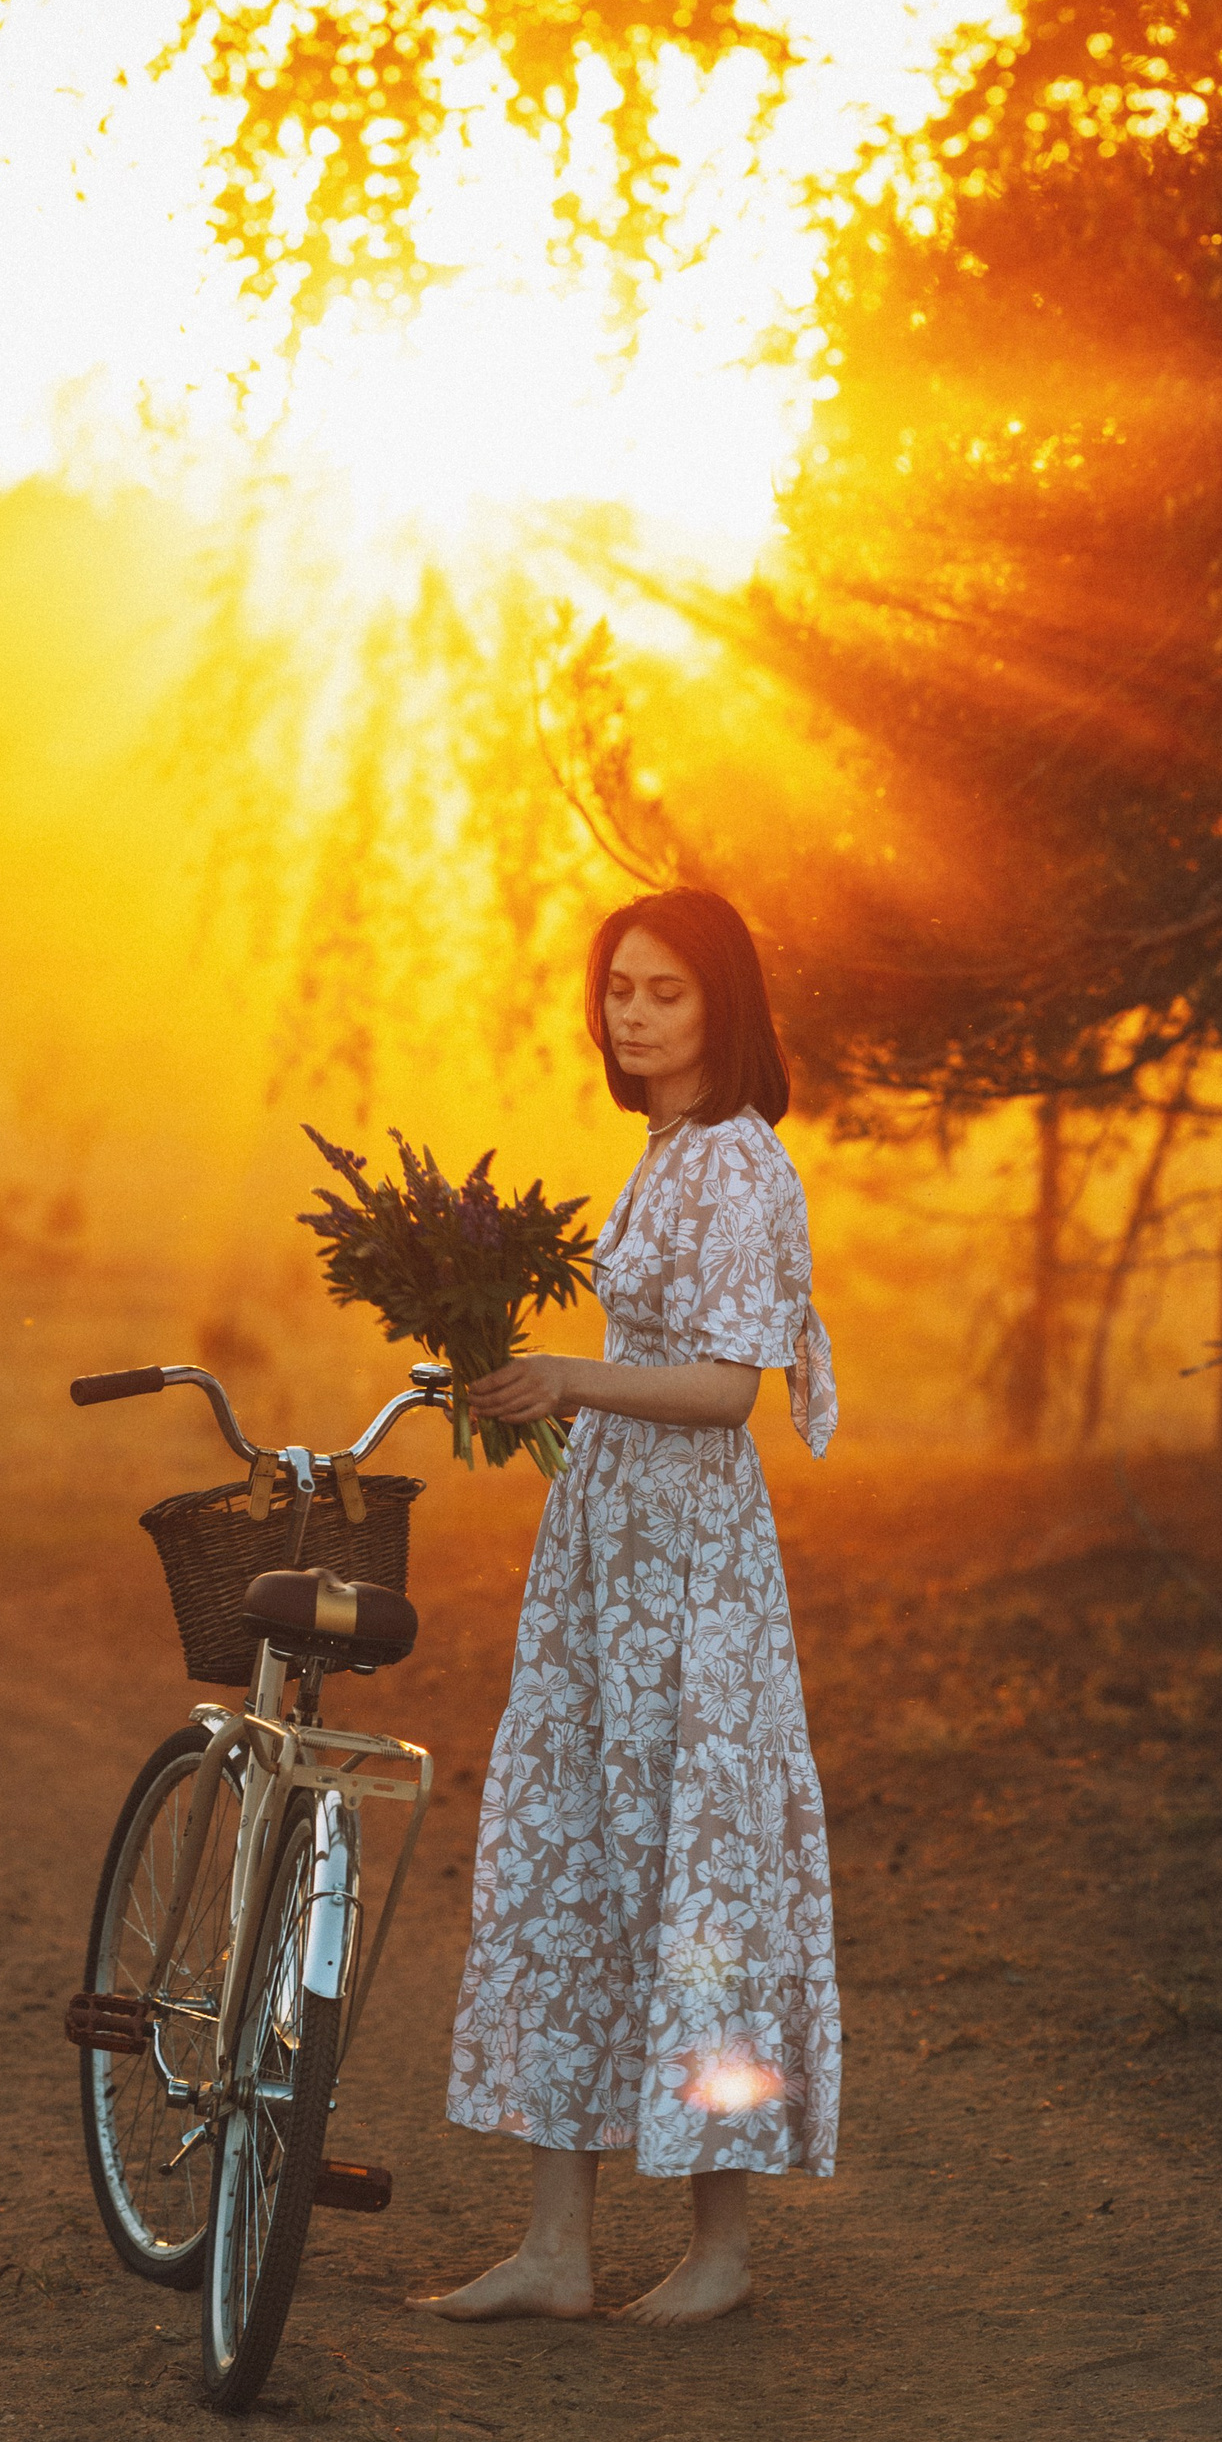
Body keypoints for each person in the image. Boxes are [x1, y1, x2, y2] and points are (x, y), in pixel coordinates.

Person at [422, 888, 841, 2325]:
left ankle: (720, 2249)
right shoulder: (662, 1154)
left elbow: (729, 1392)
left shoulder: (740, 1166)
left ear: (724, 1002)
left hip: (694, 1567)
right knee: (575, 1855)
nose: (634, 1013)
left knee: (697, 1879)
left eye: (664, 990)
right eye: (619, 990)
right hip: (607, 1548)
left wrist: (571, 1379)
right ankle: (557, 2244)